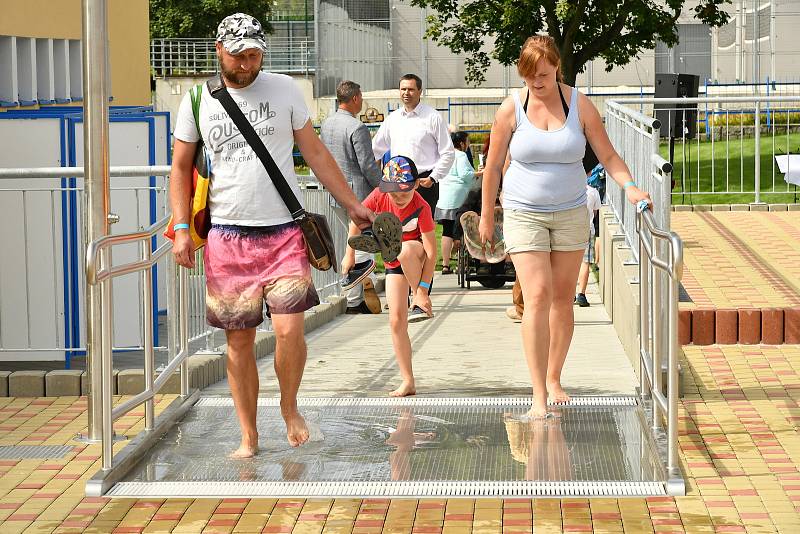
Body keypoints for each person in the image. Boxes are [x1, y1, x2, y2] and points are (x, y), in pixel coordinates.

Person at [169, 13, 374, 457]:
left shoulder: (285, 90)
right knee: (239, 340)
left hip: (284, 231)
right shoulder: (197, 101)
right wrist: (182, 228)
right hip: (226, 238)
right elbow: (181, 168)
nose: (247, 63)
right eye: (239, 55)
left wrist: (351, 203)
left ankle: (289, 406)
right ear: (219, 50)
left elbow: (315, 152)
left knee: (288, 331)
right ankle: (249, 435)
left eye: (256, 54)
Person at [479, 35, 651, 419]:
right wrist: (488, 214)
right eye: (527, 76)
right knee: (536, 296)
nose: (535, 83)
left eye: (541, 75)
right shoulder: (511, 109)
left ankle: (555, 377)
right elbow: (492, 167)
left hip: (572, 211)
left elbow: (606, 153)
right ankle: (538, 391)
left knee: (562, 298)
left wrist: (631, 186)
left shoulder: (580, 105)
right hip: (524, 212)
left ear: (557, 67)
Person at [342, 156, 437, 397]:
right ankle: (408, 381)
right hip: (394, 264)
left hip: (417, 260)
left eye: (403, 193)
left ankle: (419, 300)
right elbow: (357, 221)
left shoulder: (421, 207)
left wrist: (423, 289)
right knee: (395, 321)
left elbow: (431, 251)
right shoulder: (379, 196)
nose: (397, 198)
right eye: (393, 193)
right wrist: (349, 256)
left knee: (405, 250)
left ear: (415, 185)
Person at [320, 80, 383, 314]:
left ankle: (358, 296)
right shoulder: (358, 128)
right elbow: (367, 165)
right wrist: (384, 186)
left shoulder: (326, 125)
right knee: (361, 241)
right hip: (358, 194)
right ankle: (357, 295)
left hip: (334, 190)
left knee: (348, 242)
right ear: (356, 98)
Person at [372, 74, 455, 218]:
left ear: (420, 91)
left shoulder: (433, 118)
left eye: (410, 89)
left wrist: (434, 178)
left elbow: (448, 152)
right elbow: (375, 150)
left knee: (423, 230)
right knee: (397, 228)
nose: (406, 93)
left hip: (424, 182)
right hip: (396, 183)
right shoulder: (393, 119)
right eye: (403, 89)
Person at [436, 131, 474, 274]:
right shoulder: (461, 155)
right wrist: (479, 173)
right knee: (464, 230)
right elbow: (464, 175)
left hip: (445, 197)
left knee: (447, 231)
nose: (468, 145)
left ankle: (446, 265)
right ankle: (463, 262)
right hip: (459, 198)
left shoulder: (444, 156)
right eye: (467, 142)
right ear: (462, 143)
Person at [575, 181, 602, 307]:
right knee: (585, 262)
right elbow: (595, 212)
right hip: (587, 229)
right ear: (590, 173)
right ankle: (581, 294)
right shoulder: (593, 192)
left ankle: (569, 293)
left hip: (569, 229)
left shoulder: (569, 188)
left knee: (568, 263)